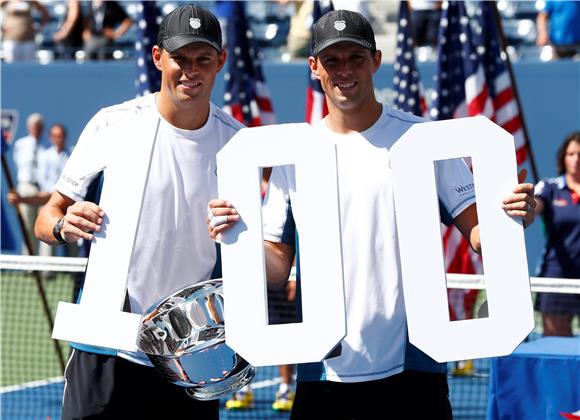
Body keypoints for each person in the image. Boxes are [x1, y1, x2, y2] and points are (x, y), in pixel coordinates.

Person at [208, 10, 536, 419]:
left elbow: (477, 234)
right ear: (314, 67)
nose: (344, 71)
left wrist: (514, 216)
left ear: (376, 61)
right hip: (323, 374)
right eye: (332, 60)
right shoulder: (293, 157)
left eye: (355, 58)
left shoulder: (422, 140)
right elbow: (277, 267)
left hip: (414, 372)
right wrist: (235, 236)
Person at [35, 5, 241, 419]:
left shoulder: (239, 144)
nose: (190, 71)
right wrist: (62, 225)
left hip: (190, 356)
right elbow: (47, 218)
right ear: (157, 57)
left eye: (203, 59)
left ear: (220, 61)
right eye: (180, 58)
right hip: (105, 346)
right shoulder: (112, 124)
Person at [533, 131, 580, 337]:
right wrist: (526, 206)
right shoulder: (550, 188)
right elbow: (534, 205)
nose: (576, 159)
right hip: (556, 276)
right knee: (556, 343)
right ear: (563, 157)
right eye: (571, 153)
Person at [9, 113, 49, 255]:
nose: (36, 129)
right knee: (27, 225)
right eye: (33, 126)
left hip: (44, 189)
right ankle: (29, 264)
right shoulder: (21, 144)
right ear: (29, 127)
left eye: (39, 126)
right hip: (26, 186)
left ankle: (46, 266)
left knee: (46, 224)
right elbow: (17, 163)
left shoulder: (47, 145)